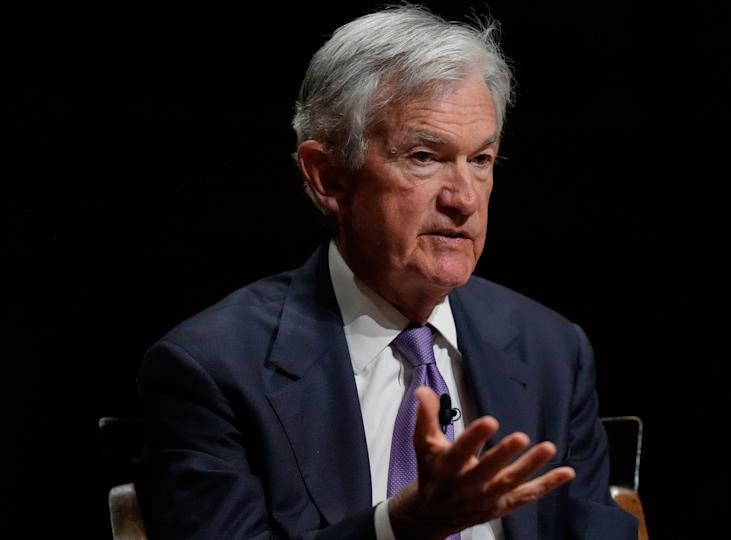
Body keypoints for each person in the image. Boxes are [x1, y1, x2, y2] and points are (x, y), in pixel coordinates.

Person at [136, 6, 637, 539]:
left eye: (482, 160)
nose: (464, 198)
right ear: (330, 178)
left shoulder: (552, 352)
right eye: (424, 156)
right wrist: (401, 526)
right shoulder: (212, 369)